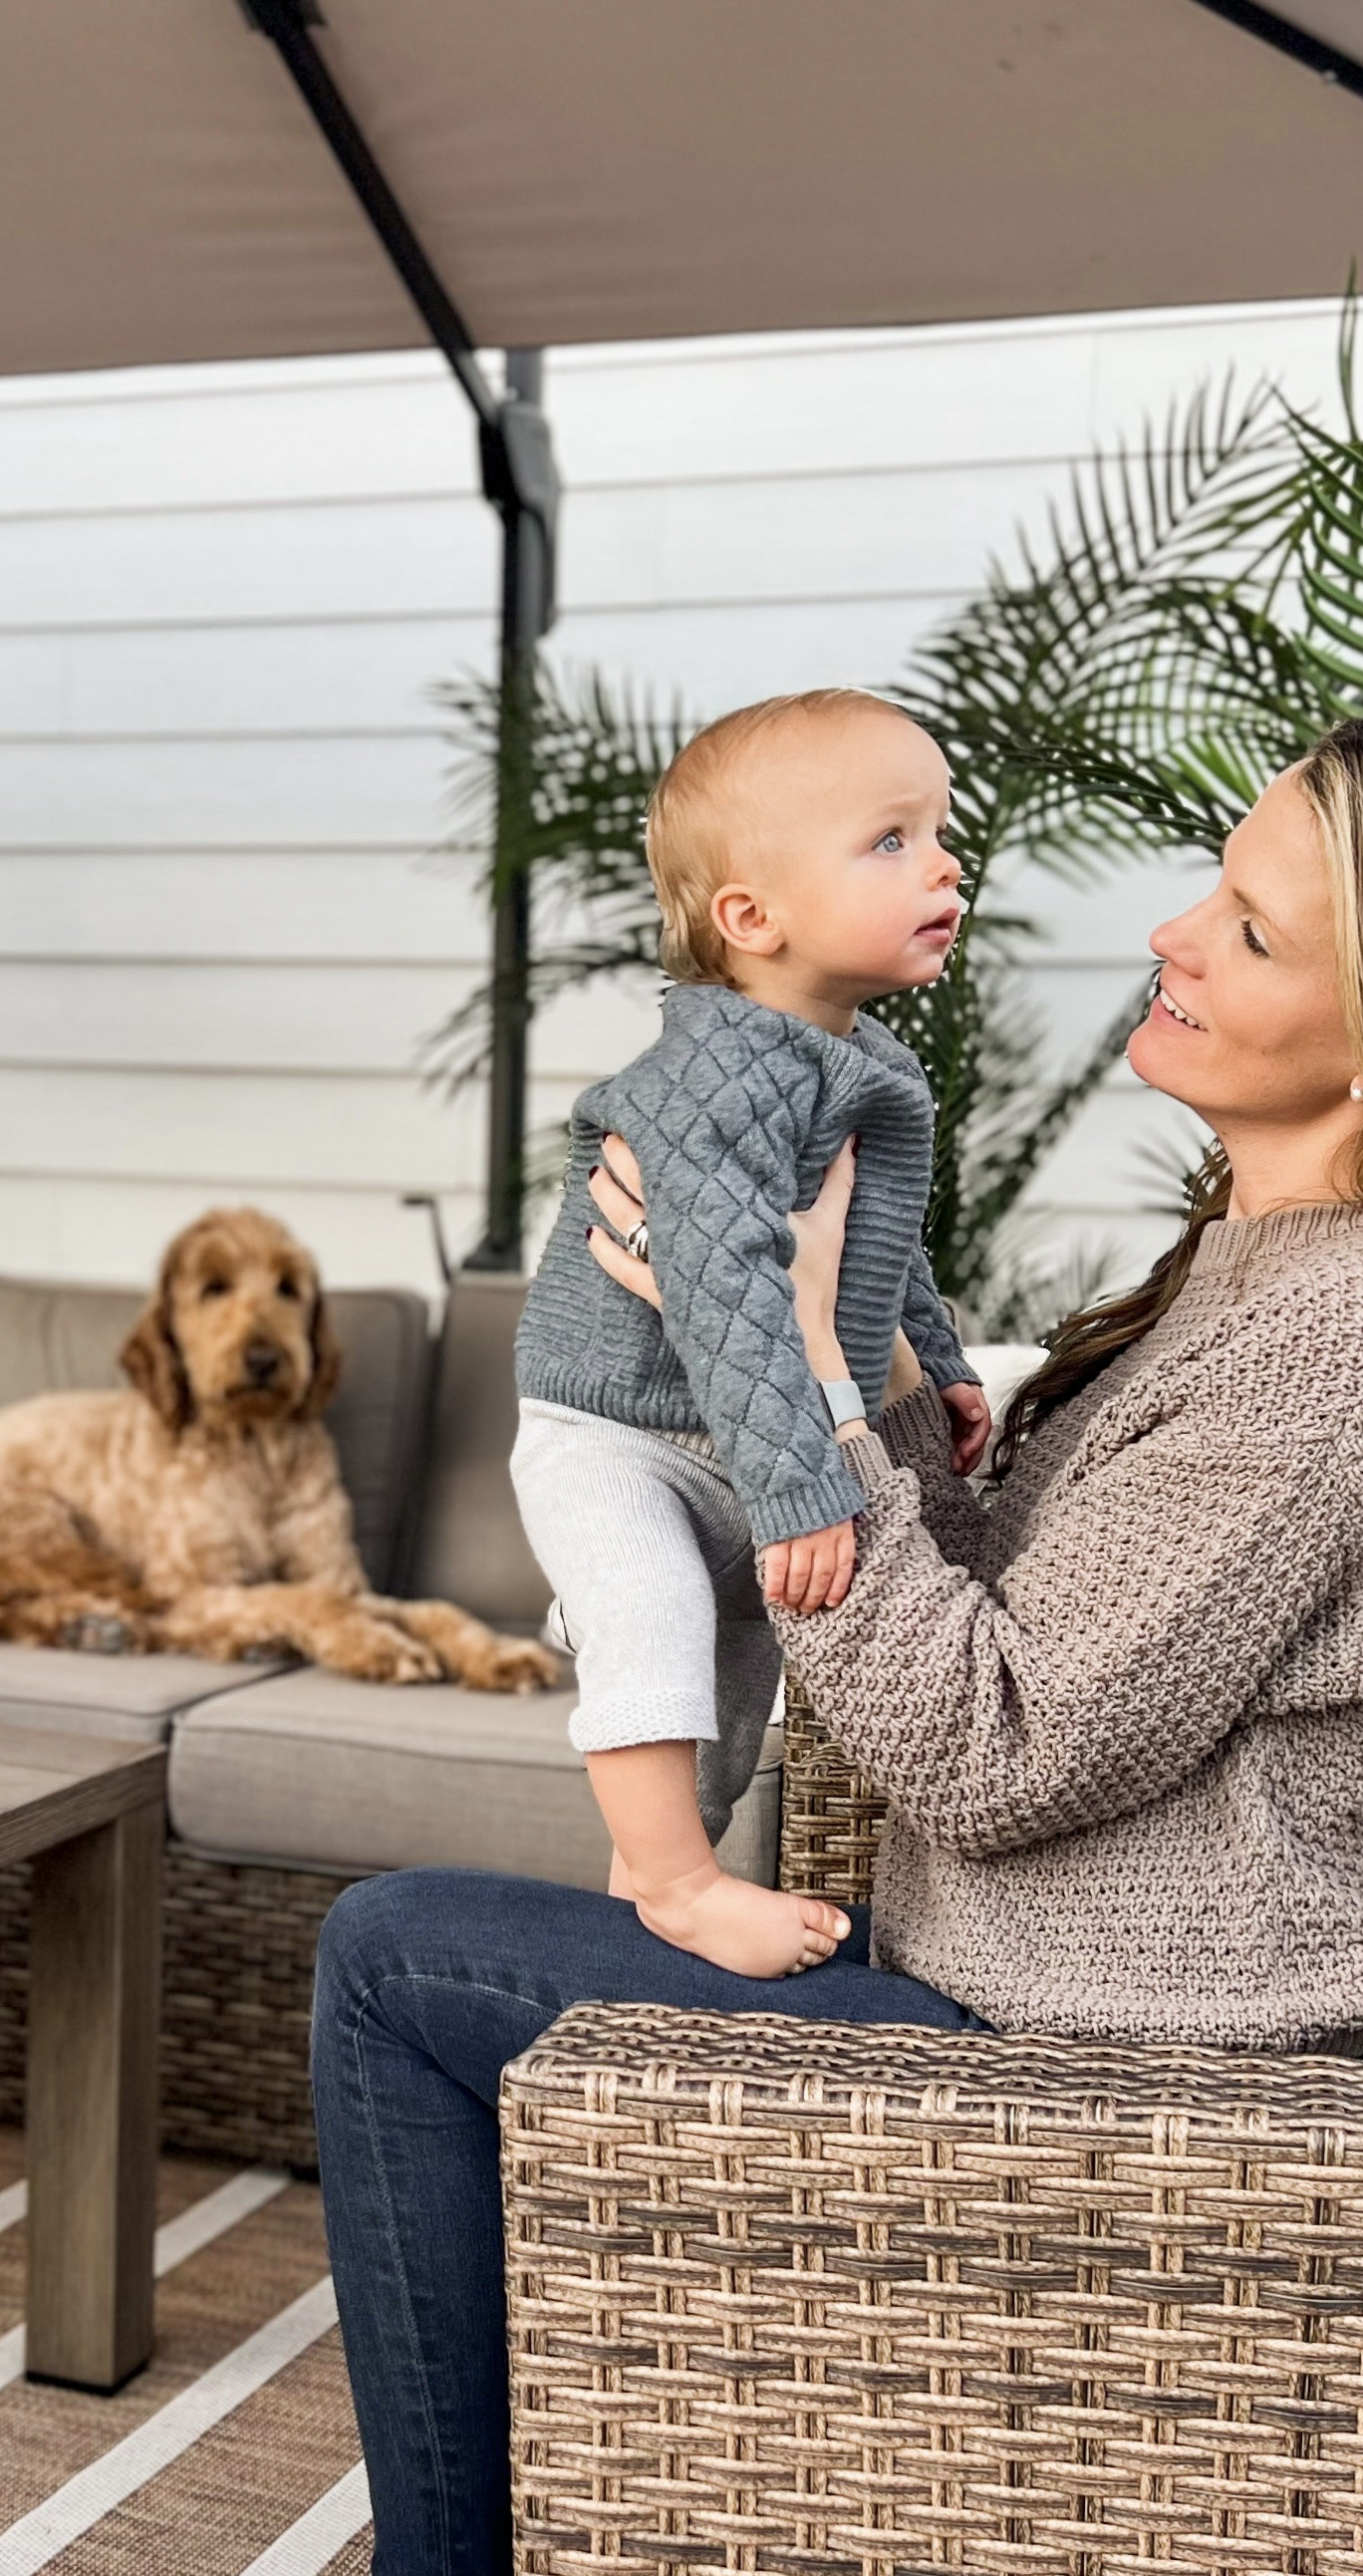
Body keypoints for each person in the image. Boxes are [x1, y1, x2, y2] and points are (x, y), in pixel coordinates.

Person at [188, 711, 1363, 2576]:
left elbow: (986, 1737)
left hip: (1110, 2099)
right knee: (432, 1952)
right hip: (1034, 2020)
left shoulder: (1343, 1341)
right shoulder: (1264, 1275)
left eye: (1248, 927)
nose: (1169, 937)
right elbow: (1032, 1595)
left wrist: (789, 1370)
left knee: (397, 1964)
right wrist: (872, 1377)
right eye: (1215, 874)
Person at [503, 690, 993, 1977]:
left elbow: (876, 1235)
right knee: (655, 1611)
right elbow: (722, 1278)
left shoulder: (848, 1055)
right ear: (752, 919)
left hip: (724, 1430)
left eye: (938, 831)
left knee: (722, 1690)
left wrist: (937, 1369)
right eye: (889, 841)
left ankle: (642, 1893)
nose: (945, 862)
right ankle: (674, 1885)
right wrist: (797, 1486)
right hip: (613, 1430)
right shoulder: (715, 1075)